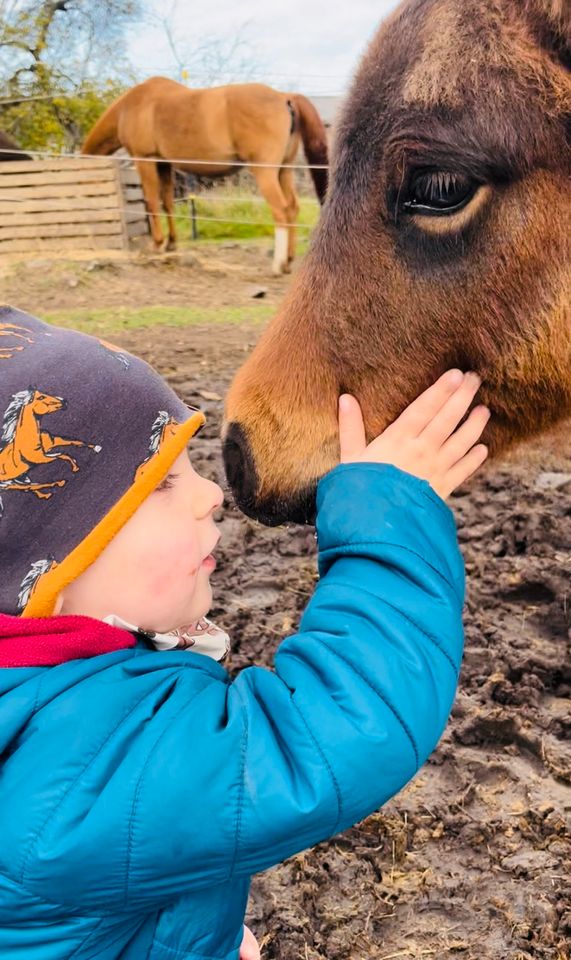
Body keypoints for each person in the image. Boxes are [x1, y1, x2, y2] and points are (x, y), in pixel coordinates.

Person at [0, 306, 489, 959]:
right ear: (55, 567)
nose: (210, 494)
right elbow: (328, 732)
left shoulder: (39, 696)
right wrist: (388, 512)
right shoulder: (73, 784)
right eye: (163, 483)